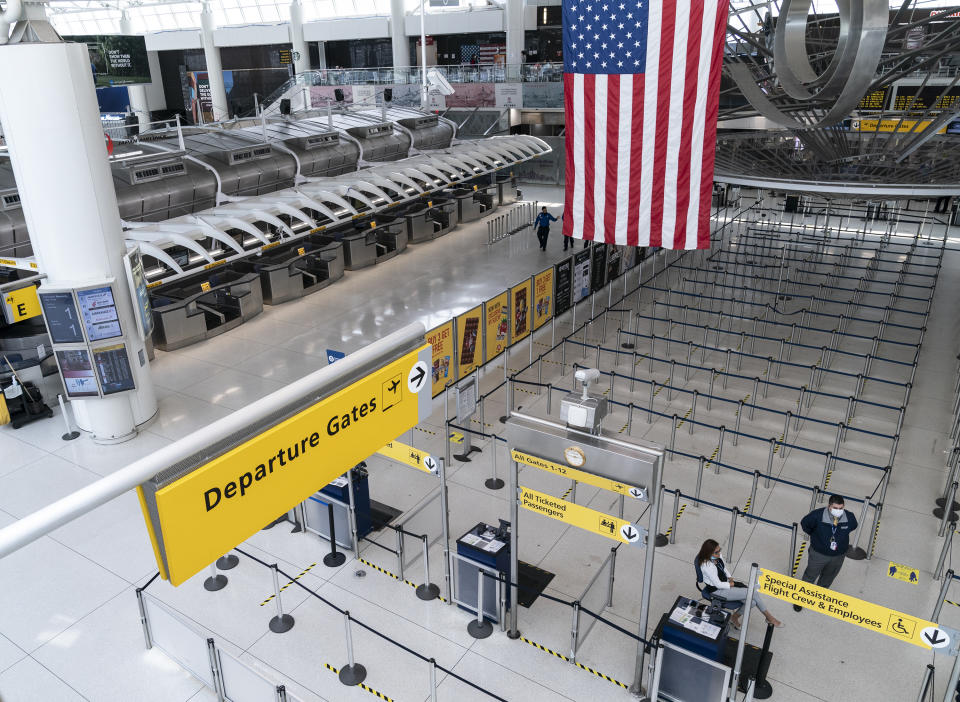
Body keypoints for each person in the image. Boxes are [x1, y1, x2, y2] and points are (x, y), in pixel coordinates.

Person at [696, 539, 782, 629]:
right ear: (708, 554)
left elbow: (723, 568)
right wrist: (732, 584)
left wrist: (729, 577)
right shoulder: (707, 566)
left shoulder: (717, 557)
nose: (719, 554)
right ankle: (769, 618)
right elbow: (718, 585)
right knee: (753, 593)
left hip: (725, 584)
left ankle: (734, 618)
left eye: (719, 550)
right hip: (717, 590)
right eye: (716, 552)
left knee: (752, 602)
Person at [793, 494, 858, 612]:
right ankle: (800, 599)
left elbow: (853, 526)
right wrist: (817, 537)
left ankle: (819, 597)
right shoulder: (817, 516)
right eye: (835, 508)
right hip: (818, 554)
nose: (838, 511)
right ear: (829, 506)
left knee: (828, 577)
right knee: (810, 576)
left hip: (838, 556)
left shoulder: (849, 517)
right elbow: (805, 524)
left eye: (841, 508)